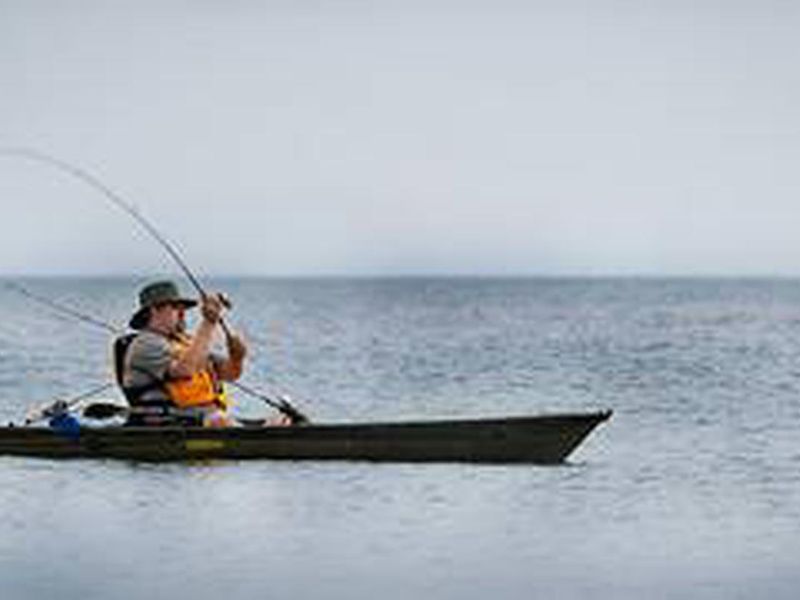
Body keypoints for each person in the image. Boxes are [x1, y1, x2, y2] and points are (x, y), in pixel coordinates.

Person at [121, 280, 247, 427]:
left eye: (183, 309)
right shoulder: (145, 344)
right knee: (221, 422)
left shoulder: (186, 342)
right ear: (154, 310)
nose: (182, 313)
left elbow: (230, 374)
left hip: (205, 419)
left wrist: (237, 357)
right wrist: (208, 322)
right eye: (175, 307)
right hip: (168, 424)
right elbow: (185, 370)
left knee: (279, 421)